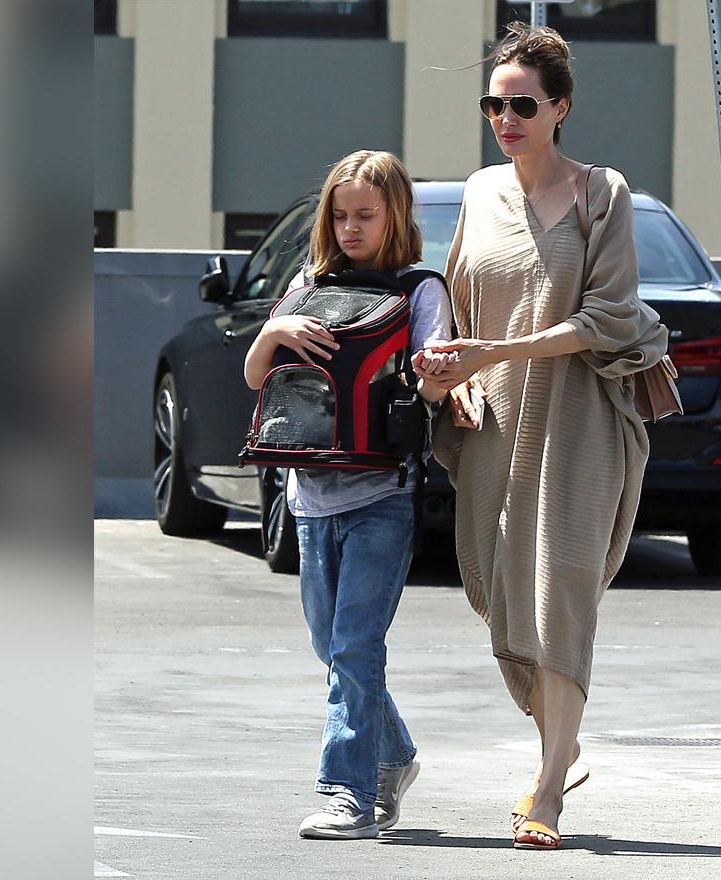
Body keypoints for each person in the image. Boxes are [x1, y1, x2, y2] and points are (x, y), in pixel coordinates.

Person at [415, 24, 668, 850]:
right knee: (497, 588)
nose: (505, 117)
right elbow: (455, 303)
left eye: (522, 103)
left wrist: (501, 349)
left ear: (560, 107)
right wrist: (451, 373)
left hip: (582, 417)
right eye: (494, 103)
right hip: (495, 419)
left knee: (559, 585)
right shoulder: (480, 192)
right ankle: (559, 738)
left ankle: (550, 784)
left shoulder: (604, 193)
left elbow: (610, 316)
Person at [243, 150, 455, 840]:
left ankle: (350, 796)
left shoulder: (422, 290)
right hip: (309, 498)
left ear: (395, 214)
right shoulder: (310, 281)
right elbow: (256, 378)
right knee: (331, 647)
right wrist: (274, 330)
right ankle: (391, 758)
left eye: (365, 214)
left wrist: (431, 373)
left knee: (356, 646)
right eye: (340, 214)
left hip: (380, 496)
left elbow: (432, 382)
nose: (351, 227)